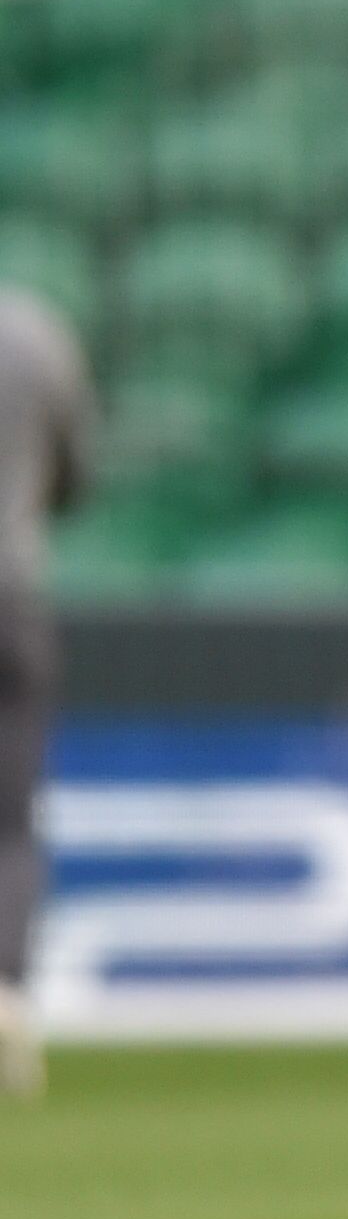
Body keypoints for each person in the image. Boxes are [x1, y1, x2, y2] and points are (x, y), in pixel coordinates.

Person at [0, 287, 89, 1104]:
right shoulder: (36, 334)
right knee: (10, 823)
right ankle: (5, 996)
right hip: (12, 599)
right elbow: (75, 482)